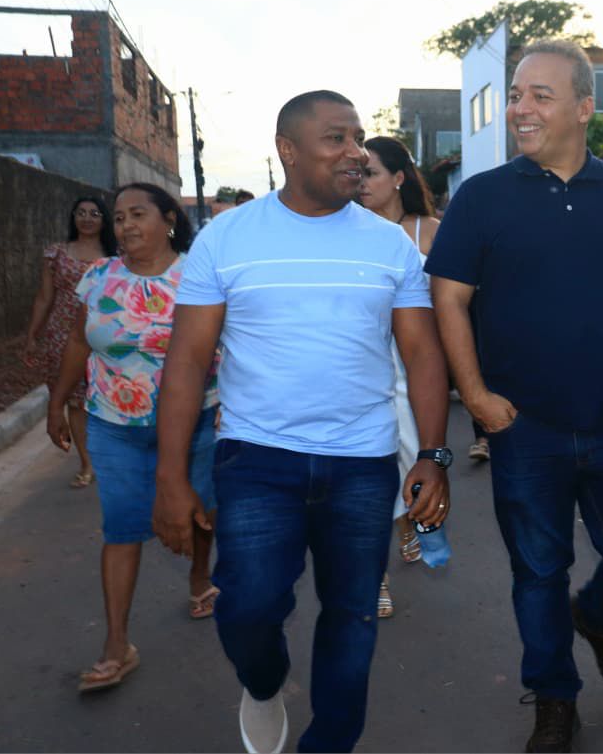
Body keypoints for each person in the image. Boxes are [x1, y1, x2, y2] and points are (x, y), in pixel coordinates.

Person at [152, 90, 450, 754]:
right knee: (247, 606)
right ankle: (263, 683)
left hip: (363, 462)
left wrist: (434, 455)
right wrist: (171, 475)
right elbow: (188, 360)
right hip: (257, 459)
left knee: (352, 614)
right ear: (288, 149)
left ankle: (330, 742)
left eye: (358, 138)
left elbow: (424, 354)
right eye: (335, 138)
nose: (355, 153)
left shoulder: (389, 245)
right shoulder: (227, 237)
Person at [427, 39, 603, 753]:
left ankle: (599, 616)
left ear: (584, 107)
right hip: (524, 426)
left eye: (540, 94)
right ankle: (554, 697)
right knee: (538, 571)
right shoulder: (482, 196)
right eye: (515, 94)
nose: (520, 108)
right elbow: (449, 298)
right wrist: (476, 395)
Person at [46, 183, 218, 692]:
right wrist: (57, 401)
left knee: (201, 510)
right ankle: (117, 645)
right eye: (119, 218)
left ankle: (200, 578)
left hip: (196, 421)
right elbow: (79, 340)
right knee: (121, 528)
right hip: (113, 424)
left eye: (137, 214)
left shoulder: (198, 277)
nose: (125, 226)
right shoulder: (99, 277)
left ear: (170, 219)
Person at [358, 134, 446, 618]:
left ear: (397, 178)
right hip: (366, 364)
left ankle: (408, 522)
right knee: (370, 464)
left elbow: (457, 301)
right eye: (358, 173)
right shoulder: (346, 231)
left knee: (412, 457)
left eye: (371, 172)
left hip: (416, 364)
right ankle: (376, 575)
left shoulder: (429, 231)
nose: (362, 182)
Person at [24, 196, 118, 487]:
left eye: (94, 213)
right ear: (73, 217)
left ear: (104, 219)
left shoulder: (117, 255)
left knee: (107, 396)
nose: (87, 218)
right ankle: (88, 464)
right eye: (81, 213)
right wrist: (32, 334)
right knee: (75, 400)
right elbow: (44, 296)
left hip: (106, 333)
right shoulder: (56, 254)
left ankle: (113, 456)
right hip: (63, 335)